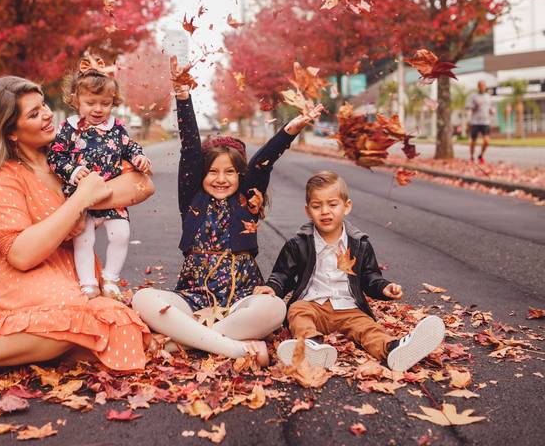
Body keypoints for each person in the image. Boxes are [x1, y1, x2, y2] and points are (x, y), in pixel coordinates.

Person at [0, 76, 154, 405]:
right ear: (12, 132)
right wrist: (81, 200)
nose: (47, 114)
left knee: (118, 326)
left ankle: (19, 347)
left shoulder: (70, 149)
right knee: (71, 314)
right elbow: (22, 255)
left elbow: (141, 185)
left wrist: (94, 193)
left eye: (44, 105)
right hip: (19, 277)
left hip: (70, 270)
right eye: (34, 114)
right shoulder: (5, 180)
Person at [131, 61, 323, 367]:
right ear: (201, 175)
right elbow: (190, 148)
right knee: (142, 300)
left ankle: (185, 344)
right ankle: (234, 348)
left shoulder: (246, 200)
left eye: (230, 172)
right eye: (213, 172)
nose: (221, 179)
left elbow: (263, 162)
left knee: (274, 308)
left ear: (241, 176)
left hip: (240, 299)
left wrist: (290, 131)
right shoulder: (192, 200)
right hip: (193, 297)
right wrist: (183, 97)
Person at [257, 171, 445, 372]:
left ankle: (393, 349)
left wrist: (384, 288)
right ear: (308, 211)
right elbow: (283, 274)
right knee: (297, 312)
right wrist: (273, 287)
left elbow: (370, 277)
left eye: (332, 204)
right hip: (312, 305)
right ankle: (312, 346)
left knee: (367, 328)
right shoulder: (298, 244)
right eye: (317, 206)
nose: (325, 211)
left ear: (346, 207)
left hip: (348, 308)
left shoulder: (359, 244)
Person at [48, 54, 152, 299]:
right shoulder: (69, 128)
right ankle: (88, 283)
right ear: (76, 100)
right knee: (84, 239)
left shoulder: (115, 127)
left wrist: (139, 157)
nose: (98, 109)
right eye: (91, 102)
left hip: (111, 194)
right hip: (81, 197)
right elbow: (55, 157)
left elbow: (129, 147)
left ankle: (110, 278)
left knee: (121, 234)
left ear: (113, 102)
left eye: (105, 103)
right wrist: (73, 171)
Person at [465, 80, 495, 164]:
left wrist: (492, 111)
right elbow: (467, 106)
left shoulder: (488, 97)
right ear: (478, 87)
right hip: (475, 122)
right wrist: (475, 105)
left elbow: (491, 107)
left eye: (484, 86)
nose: (482, 87)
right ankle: (471, 156)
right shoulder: (473, 96)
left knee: (487, 141)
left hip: (485, 122)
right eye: (481, 86)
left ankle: (481, 155)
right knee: (473, 141)